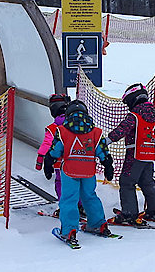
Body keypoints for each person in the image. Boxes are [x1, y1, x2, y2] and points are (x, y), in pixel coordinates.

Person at [44, 100, 114, 244]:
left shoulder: (62, 130)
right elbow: (102, 151)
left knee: (69, 199)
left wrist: (48, 162)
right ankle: (98, 223)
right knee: (90, 196)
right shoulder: (95, 132)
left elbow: (55, 150)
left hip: (70, 171)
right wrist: (107, 165)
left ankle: (69, 229)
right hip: (88, 171)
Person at [107, 83, 155, 225]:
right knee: (147, 182)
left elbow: (123, 129)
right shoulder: (153, 116)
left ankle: (129, 214)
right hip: (149, 154)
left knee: (126, 182)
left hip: (134, 154)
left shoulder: (134, 115)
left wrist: (108, 139)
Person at [36, 94, 71, 207]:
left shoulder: (53, 128)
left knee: (60, 183)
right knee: (75, 185)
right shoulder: (75, 124)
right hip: (76, 161)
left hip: (59, 163)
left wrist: (40, 159)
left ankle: (64, 206)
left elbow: (47, 144)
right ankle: (79, 205)